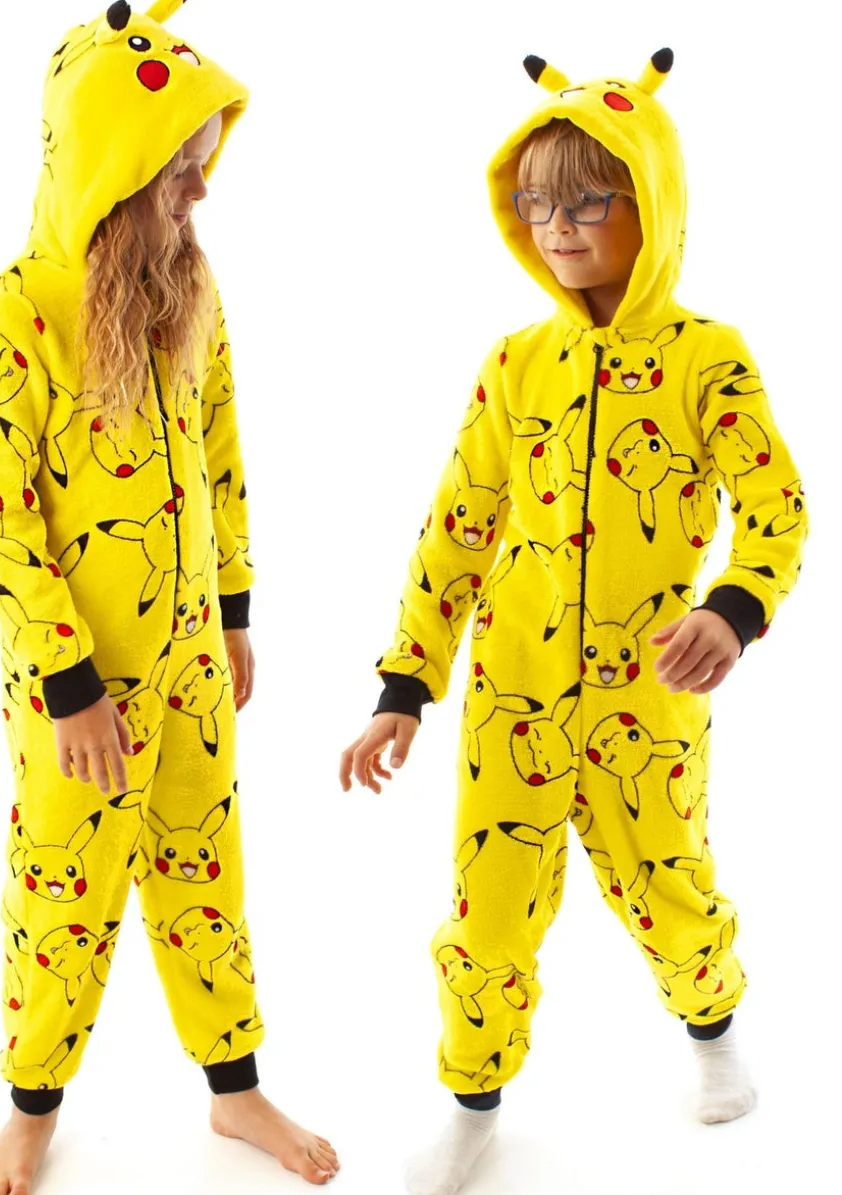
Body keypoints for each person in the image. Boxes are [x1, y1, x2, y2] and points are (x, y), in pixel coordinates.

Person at [339, 46, 807, 1195]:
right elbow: (457, 528)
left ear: (653, 201)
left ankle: (714, 1029)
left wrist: (734, 610)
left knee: (671, 889)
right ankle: (473, 1104)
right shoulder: (515, 365)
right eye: (539, 201)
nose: (559, 225)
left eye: (591, 199)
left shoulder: (707, 359)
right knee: (486, 919)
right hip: (514, 699)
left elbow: (777, 508)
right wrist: (405, 687)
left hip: (653, 695)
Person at [0, 3, 339, 1193]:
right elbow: (5, 520)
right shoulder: (15, 314)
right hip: (78, 689)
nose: (201, 191)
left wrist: (236, 612)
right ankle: (31, 1104)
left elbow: (220, 455)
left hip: (191, 662)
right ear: (112, 164)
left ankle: (235, 1089)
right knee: (64, 891)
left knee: (206, 871)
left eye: (204, 162)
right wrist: (68, 685)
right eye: (178, 168)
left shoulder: (188, 290)